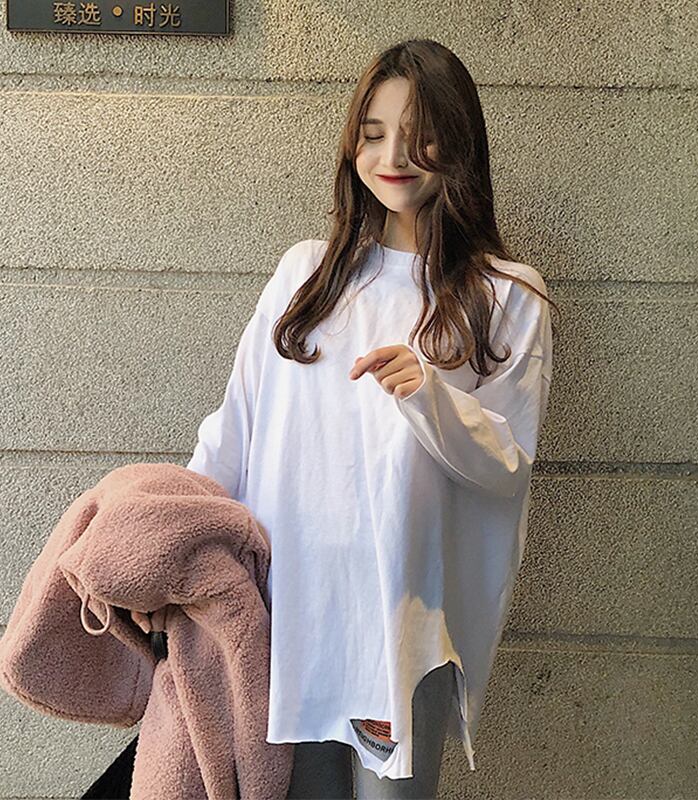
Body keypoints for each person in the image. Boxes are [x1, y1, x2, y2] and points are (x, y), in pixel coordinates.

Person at [133, 37, 558, 800]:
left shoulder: (506, 295)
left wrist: (428, 394)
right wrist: (170, 551)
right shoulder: (306, 274)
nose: (392, 156)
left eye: (419, 135)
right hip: (287, 614)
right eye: (373, 133)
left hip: (398, 631)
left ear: (459, 143)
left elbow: (507, 467)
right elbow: (234, 430)